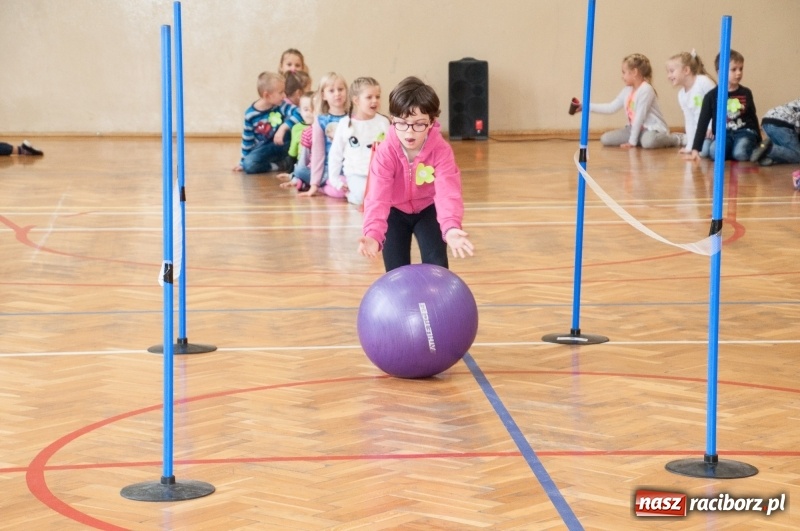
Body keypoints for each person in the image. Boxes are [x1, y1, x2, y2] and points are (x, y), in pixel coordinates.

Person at [359, 76, 474, 272]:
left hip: (428, 210)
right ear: (393, 120)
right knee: (396, 271)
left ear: (431, 122)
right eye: (402, 123)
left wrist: (451, 227)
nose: (409, 133)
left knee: (437, 266)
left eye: (419, 124)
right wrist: (373, 234)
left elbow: (448, 193)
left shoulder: (441, 150)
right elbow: (377, 197)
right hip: (394, 213)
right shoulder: (385, 152)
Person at [576, 53, 683, 149]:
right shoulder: (627, 90)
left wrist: (632, 142)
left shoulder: (646, 90)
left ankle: (677, 138)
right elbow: (611, 107)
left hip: (651, 129)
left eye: (624, 72)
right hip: (634, 129)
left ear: (634, 72)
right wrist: (586, 106)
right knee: (605, 139)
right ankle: (639, 139)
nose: (622, 77)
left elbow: (639, 117)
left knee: (649, 142)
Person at [326, 77, 390, 206]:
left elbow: (392, 150)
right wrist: (335, 180)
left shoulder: (383, 122)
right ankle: (342, 190)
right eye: (369, 97)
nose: (374, 101)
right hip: (357, 174)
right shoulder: (345, 124)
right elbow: (335, 154)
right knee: (362, 197)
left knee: (386, 197)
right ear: (356, 100)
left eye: (377, 97)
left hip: (380, 174)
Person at [689, 50, 760, 162]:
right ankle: (733, 150)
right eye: (734, 69)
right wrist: (695, 149)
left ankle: (753, 150)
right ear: (720, 72)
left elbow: (753, 116)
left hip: (744, 131)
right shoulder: (711, 96)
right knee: (714, 152)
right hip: (724, 134)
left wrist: (759, 141)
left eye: (741, 69)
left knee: (740, 153)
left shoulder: (746, 93)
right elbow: (702, 123)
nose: (739, 73)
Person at [233, 71, 302, 174]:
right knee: (249, 165)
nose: (284, 96)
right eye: (281, 92)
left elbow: (300, 113)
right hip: (264, 150)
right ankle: (280, 165)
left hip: (283, 145)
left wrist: (283, 128)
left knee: (294, 130)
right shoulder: (250, 115)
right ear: (267, 95)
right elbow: (247, 140)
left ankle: (291, 160)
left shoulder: (281, 105)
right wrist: (243, 162)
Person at [298, 72, 350, 198]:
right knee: (300, 170)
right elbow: (318, 153)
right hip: (327, 169)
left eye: (340, 89)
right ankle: (322, 186)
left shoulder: (352, 117)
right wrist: (314, 185)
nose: (337, 93)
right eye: (331, 91)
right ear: (323, 95)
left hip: (348, 168)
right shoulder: (321, 120)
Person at [666, 50, 716, 155]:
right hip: (703, 134)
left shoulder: (703, 82)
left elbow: (718, 105)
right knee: (702, 152)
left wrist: (711, 127)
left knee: (708, 151)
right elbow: (689, 121)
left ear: (686, 70)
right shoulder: (681, 95)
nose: (668, 76)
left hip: (717, 128)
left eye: (671, 71)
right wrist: (690, 146)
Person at [278, 91, 315, 191]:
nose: (309, 113)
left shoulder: (321, 127)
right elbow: (293, 151)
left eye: (313, 109)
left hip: (316, 163)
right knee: (299, 170)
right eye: (306, 109)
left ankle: (300, 179)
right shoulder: (296, 128)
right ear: (300, 111)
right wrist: (291, 170)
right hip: (301, 162)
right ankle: (295, 177)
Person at [749, 99, 800, 166]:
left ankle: (765, 156)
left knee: (787, 150)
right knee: (798, 156)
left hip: (768, 121)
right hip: (782, 124)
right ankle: (769, 149)